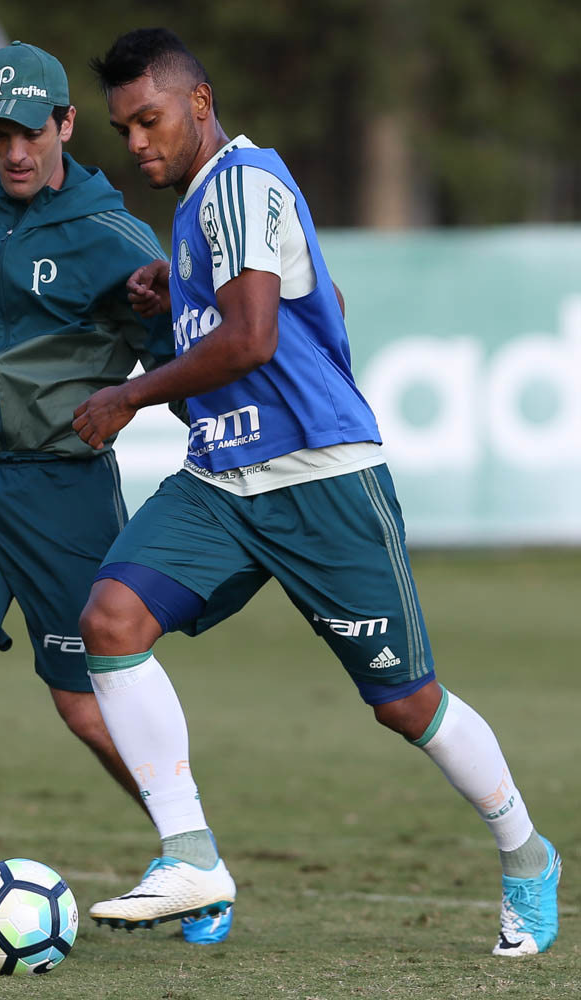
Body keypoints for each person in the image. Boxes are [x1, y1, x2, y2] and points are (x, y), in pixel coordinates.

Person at [72, 27, 561, 956]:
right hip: (221, 482)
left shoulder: (242, 182)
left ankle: (526, 854)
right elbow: (324, 305)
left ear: (199, 103)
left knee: (405, 704)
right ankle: (190, 855)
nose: (136, 142)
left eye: (149, 119)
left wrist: (130, 394)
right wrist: (182, 291)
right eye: (122, 128)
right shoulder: (202, 209)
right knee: (109, 621)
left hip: (321, 479)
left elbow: (254, 339)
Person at [0, 40, 228, 946]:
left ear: (65, 124)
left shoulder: (116, 238)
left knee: (85, 704)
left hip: (61, 490)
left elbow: (178, 362)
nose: (14, 152)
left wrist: (146, 408)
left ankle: (194, 859)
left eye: (29, 133)